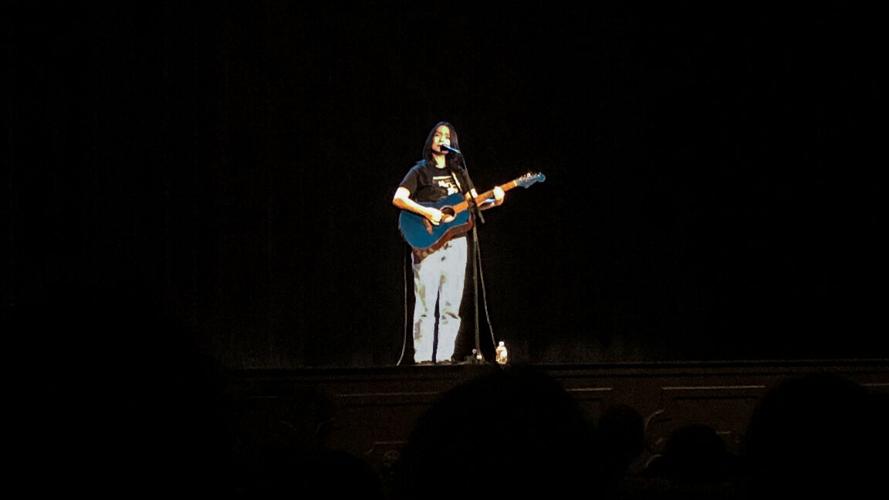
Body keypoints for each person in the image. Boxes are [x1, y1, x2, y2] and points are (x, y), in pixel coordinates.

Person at [392, 121, 504, 365]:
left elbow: (474, 203)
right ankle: (422, 360)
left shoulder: (459, 172)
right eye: (438, 135)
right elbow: (398, 198)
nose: (442, 138)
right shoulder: (420, 170)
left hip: (456, 243)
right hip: (428, 243)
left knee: (451, 304)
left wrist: (495, 200)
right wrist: (427, 212)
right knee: (425, 304)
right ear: (431, 140)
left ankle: (443, 358)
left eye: (447, 136)